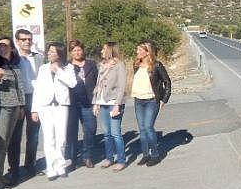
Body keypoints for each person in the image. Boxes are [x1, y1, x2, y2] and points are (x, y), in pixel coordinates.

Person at [31, 42, 77, 180]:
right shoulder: (43, 68)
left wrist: (58, 70)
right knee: (49, 138)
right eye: (49, 51)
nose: (49, 53)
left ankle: (60, 166)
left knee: (61, 138)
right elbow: (37, 90)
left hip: (61, 106)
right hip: (45, 106)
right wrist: (34, 109)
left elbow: (72, 83)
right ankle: (51, 167)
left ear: (59, 53)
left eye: (52, 51)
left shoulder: (68, 67)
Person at [0, 37, 25, 189]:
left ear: (12, 48)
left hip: (16, 106)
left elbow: (20, 85)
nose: (2, 48)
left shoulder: (14, 64)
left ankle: (0, 176)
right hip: (1, 107)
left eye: (6, 45)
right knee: (0, 144)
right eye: (0, 46)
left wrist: (22, 105)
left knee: (8, 143)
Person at [8, 29, 43, 179]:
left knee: (33, 135)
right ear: (17, 41)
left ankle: (30, 165)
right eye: (23, 39)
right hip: (18, 99)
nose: (27, 42)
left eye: (29, 39)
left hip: (35, 99)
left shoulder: (39, 58)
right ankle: (14, 168)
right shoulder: (12, 58)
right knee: (15, 136)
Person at [132, 41, 171, 167]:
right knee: (142, 129)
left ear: (147, 52)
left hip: (151, 101)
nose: (137, 52)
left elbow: (167, 82)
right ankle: (145, 155)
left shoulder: (157, 66)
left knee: (148, 127)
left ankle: (155, 155)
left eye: (139, 50)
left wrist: (164, 99)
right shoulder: (136, 65)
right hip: (138, 100)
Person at [93, 42, 127, 172]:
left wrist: (117, 105)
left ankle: (121, 160)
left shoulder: (119, 65)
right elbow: (98, 85)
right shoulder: (102, 65)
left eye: (104, 49)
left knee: (115, 133)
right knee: (106, 134)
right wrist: (96, 102)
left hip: (114, 103)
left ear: (110, 50)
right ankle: (109, 157)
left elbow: (121, 86)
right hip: (103, 102)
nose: (101, 51)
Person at [65, 40, 98, 169]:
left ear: (83, 50)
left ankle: (87, 156)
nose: (77, 52)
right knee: (71, 132)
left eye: (79, 49)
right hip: (72, 103)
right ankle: (72, 158)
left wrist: (97, 101)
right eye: (74, 50)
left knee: (90, 129)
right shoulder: (66, 66)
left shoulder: (91, 64)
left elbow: (97, 82)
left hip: (88, 102)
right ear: (70, 52)